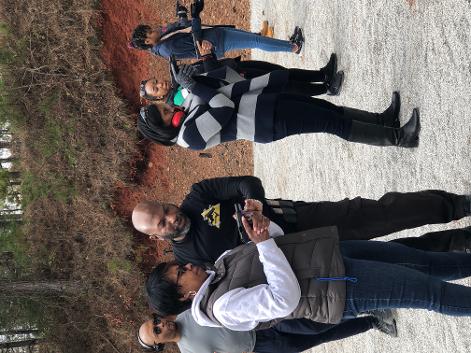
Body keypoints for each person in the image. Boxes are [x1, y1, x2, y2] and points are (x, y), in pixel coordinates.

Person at [145, 224, 471, 332]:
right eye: (181, 274)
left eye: (181, 265)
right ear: (184, 296)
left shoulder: (220, 266)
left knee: (421, 261)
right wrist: (262, 244)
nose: (188, 268)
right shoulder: (223, 308)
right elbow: (283, 299)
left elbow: (276, 242)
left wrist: (261, 224)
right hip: (338, 289)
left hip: (332, 257)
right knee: (428, 293)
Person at [131, 175, 471, 265]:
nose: (171, 217)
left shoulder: (197, 197)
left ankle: (455, 206)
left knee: (379, 214)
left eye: (165, 209)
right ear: (156, 237)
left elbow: (244, 182)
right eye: (161, 223)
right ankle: (457, 243)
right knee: (389, 256)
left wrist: (255, 203)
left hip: (300, 218)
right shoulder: (188, 260)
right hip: (300, 259)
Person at [137, 63, 420, 150]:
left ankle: (384, 121)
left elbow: (215, 84)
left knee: (328, 110)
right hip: (267, 122)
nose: (169, 109)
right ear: (164, 130)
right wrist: (196, 88)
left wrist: (191, 77)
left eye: (164, 107)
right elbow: (223, 108)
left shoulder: (185, 110)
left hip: (263, 103)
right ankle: (398, 138)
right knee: (331, 124)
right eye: (165, 114)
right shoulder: (189, 137)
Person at [137, 309, 396, 353]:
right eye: (157, 330)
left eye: (155, 322)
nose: (161, 324)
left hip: (264, 323)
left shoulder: (189, 312)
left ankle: (369, 306)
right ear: (161, 344)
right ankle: (372, 322)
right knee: (321, 336)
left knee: (317, 322)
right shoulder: (189, 350)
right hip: (261, 347)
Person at [139, 54, 344, 106]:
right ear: (159, 98)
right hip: (238, 82)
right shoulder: (177, 100)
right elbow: (205, 87)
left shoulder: (176, 78)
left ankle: (321, 74)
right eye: (156, 89)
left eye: (156, 81)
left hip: (233, 69)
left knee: (282, 72)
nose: (160, 85)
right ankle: (326, 88)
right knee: (285, 85)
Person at [130, 21, 304, 59]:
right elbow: (196, 44)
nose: (155, 30)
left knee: (253, 39)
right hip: (217, 42)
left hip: (215, 35)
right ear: (147, 42)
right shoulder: (167, 47)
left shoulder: (162, 43)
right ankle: (293, 47)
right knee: (255, 42)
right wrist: (196, 18)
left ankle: (289, 44)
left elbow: (182, 30)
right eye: (150, 32)